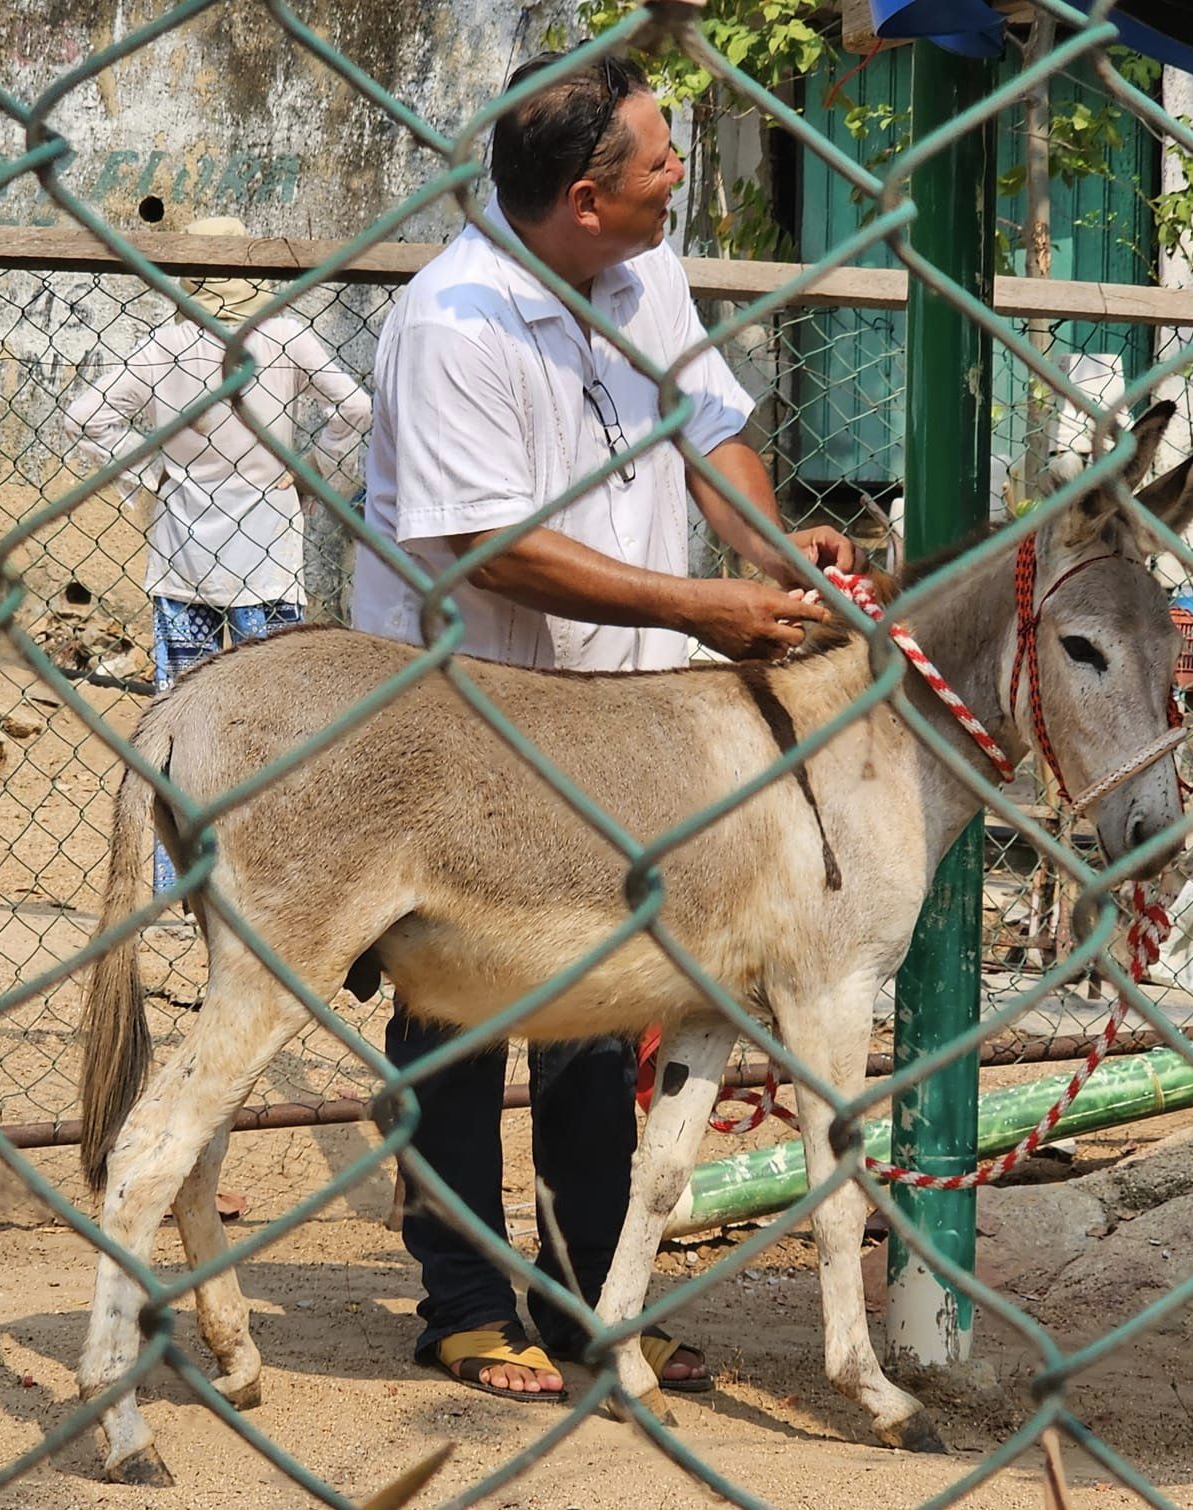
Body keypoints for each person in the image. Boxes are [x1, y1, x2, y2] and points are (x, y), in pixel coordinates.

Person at [349, 50, 859, 1401]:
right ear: (584, 195)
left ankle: (586, 1298)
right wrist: (703, 608)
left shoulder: (641, 272)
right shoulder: (458, 322)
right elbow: (478, 545)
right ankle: (463, 1297)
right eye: (657, 161)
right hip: (470, 706)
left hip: (620, 699)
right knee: (450, 994)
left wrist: (762, 548)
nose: (679, 174)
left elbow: (713, 425)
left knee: (603, 984)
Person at [66, 215, 372, 888]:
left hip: (182, 555)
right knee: (275, 721)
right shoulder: (283, 336)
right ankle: (271, 875)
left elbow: (85, 417)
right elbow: (354, 408)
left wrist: (149, 474)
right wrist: (308, 475)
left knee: (179, 717)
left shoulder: (168, 342)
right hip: (267, 550)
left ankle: (177, 883)